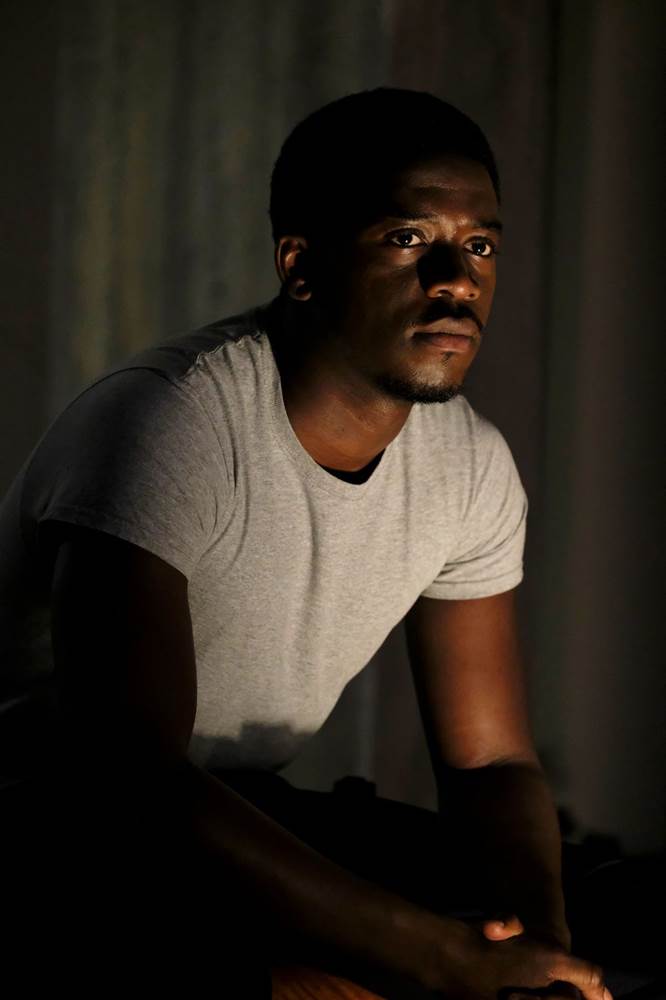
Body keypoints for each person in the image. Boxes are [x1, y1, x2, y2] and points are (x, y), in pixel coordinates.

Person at [0, 88, 658, 999]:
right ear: (301, 264)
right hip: (53, 821)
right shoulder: (171, 421)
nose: (457, 280)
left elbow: (491, 764)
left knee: (620, 901)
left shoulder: (470, 464)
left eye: (480, 246)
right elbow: (132, 779)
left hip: (235, 806)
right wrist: (439, 959)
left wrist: (533, 951)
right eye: (408, 238)